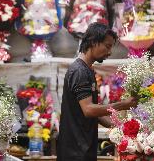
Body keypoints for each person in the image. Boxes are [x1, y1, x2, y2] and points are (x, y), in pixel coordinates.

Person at [57, 23, 137, 161]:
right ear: (93, 42)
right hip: (75, 151)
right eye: (107, 46)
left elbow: (94, 113)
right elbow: (89, 110)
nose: (110, 52)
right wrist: (122, 105)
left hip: (83, 147)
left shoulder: (87, 70)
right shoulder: (79, 71)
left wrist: (120, 127)